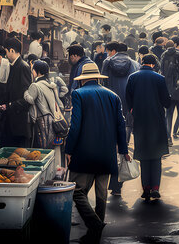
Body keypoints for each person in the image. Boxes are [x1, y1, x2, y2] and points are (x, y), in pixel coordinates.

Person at [65, 63, 129, 243]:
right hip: (106, 152)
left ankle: (95, 225)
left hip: (84, 152)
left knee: (77, 192)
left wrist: (68, 149)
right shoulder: (113, 95)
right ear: (98, 78)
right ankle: (96, 234)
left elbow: (75, 125)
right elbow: (120, 125)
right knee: (101, 195)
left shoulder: (78, 94)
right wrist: (123, 150)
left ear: (83, 79)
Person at [126, 54, 171, 200]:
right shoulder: (160, 78)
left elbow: (128, 98)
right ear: (153, 64)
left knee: (144, 157)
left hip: (140, 122)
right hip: (156, 121)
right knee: (156, 156)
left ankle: (145, 188)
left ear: (142, 63)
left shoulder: (132, 78)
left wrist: (133, 109)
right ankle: (155, 188)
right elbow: (166, 102)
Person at [101, 41, 140, 196]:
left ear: (115, 51)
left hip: (110, 109)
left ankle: (103, 183)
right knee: (123, 146)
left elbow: (103, 84)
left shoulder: (106, 62)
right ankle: (117, 185)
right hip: (128, 111)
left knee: (110, 147)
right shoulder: (135, 64)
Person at [0, 37, 33, 147]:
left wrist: (9, 105)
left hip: (19, 123)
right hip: (13, 121)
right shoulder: (15, 65)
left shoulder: (22, 67)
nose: (6, 55)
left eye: (6, 52)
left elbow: (26, 98)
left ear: (12, 50)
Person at [24, 60, 64, 150]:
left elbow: (29, 100)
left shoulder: (35, 85)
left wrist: (25, 92)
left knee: (40, 150)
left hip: (40, 122)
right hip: (52, 120)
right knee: (49, 149)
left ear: (37, 71)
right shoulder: (51, 85)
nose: (32, 71)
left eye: (33, 69)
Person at [160, 40, 179, 146]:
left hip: (168, 88)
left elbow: (162, 72)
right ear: (175, 45)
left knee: (168, 114)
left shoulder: (163, 56)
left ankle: (168, 138)